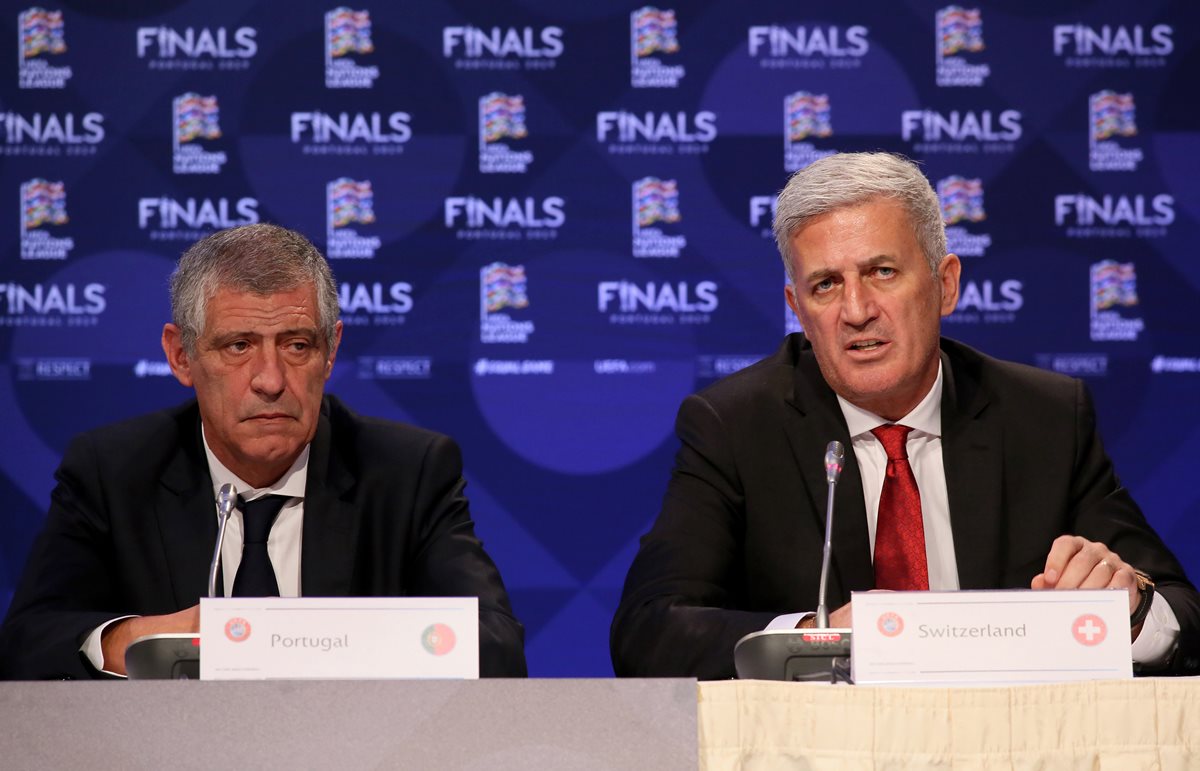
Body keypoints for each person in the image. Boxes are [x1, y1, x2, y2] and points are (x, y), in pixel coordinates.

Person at [611, 152, 1200, 679]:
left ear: (945, 285)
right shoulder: (736, 425)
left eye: (882, 272)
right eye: (825, 285)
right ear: (797, 310)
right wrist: (815, 638)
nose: (857, 310)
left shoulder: (1042, 419)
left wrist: (1131, 609)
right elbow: (649, 629)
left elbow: (1183, 618)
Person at [0, 223, 526, 679]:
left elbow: (496, 648)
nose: (271, 381)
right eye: (239, 346)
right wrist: (142, 641)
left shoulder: (407, 472)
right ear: (181, 356)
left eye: (297, 345)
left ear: (331, 351)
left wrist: (331, 644)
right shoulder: (113, 471)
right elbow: (29, 644)